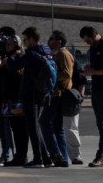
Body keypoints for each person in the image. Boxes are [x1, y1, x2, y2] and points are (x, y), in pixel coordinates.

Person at [1, 26, 52, 168]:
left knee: (32, 128)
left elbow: (13, 66)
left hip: (31, 94)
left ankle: (38, 160)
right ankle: (46, 159)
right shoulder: (46, 50)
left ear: (31, 39)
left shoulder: (31, 54)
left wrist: (9, 59)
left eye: (25, 40)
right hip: (42, 93)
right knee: (36, 127)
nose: (24, 43)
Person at [80, 25, 103, 168]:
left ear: (95, 34)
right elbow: (97, 67)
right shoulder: (93, 49)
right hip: (97, 89)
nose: (87, 43)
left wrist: (94, 72)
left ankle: (101, 156)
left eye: (88, 40)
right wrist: (90, 69)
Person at [40, 30, 73, 168]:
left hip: (58, 94)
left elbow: (66, 74)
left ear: (59, 41)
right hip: (55, 94)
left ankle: (55, 153)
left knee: (44, 121)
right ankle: (63, 158)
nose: (49, 40)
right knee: (57, 127)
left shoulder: (64, 54)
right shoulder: (56, 54)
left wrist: (50, 75)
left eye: (52, 38)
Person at [0, 33, 29, 166]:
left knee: (20, 129)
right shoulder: (8, 59)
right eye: (6, 44)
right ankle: (18, 155)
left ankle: (21, 156)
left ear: (16, 44)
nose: (7, 46)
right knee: (14, 128)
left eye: (10, 44)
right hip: (9, 98)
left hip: (18, 99)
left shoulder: (20, 58)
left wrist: (9, 63)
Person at [64, 54, 87, 164]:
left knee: (71, 127)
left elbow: (81, 80)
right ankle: (56, 154)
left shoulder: (71, 59)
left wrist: (79, 98)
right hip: (54, 97)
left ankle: (75, 155)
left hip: (69, 98)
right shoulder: (50, 57)